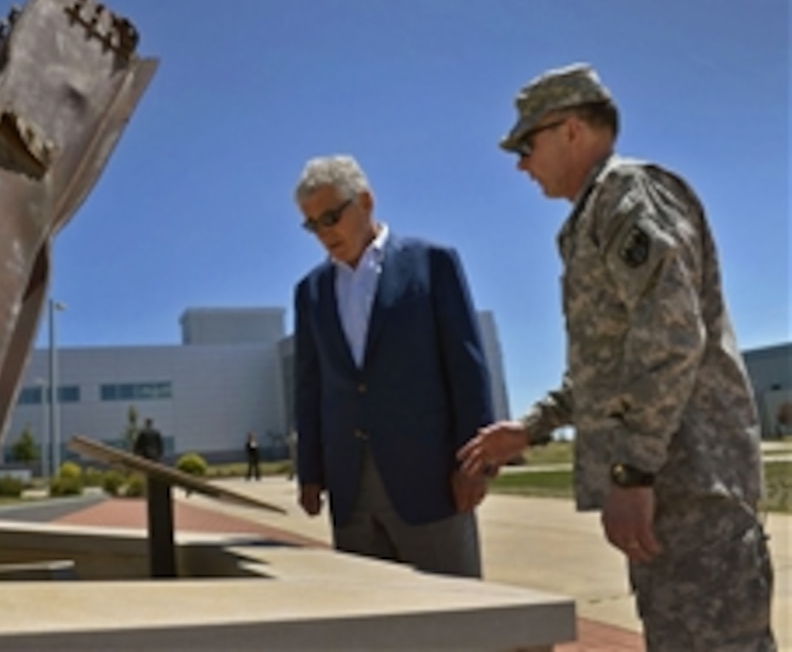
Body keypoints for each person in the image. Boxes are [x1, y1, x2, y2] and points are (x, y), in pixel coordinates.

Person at [457, 63, 774, 650]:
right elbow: (611, 371)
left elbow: (673, 337)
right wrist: (530, 429)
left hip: (692, 489)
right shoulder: (594, 216)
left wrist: (633, 471)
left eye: (526, 144)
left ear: (571, 129)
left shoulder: (628, 195)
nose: (521, 164)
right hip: (670, 493)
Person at [293, 154, 495, 578]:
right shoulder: (310, 292)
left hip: (430, 482)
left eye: (331, 217)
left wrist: (476, 465)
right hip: (351, 490)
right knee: (374, 629)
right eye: (313, 224)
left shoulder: (431, 264)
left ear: (365, 201)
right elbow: (309, 388)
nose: (324, 233)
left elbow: (467, 369)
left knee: (454, 621)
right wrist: (310, 472)